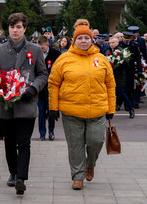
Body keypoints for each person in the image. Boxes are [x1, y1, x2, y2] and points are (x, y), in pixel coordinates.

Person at [48, 19, 116, 190]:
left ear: (91, 39)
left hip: (98, 110)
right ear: (74, 40)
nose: (83, 41)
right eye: (80, 38)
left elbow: (110, 84)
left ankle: (90, 164)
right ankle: (77, 175)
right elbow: (53, 83)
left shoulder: (101, 59)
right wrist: (53, 107)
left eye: (86, 38)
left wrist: (111, 108)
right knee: (75, 145)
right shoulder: (64, 59)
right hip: (71, 111)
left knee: (96, 141)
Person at [0, 13, 47, 195]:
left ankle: (21, 178)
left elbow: (42, 74)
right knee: (9, 143)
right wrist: (0, 86)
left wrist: (34, 89)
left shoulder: (35, 50)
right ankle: (13, 173)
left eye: (19, 27)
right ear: (8, 28)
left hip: (26, 104)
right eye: (12, 27)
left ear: (24, 29)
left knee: (24, 142)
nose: (15, 31)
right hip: (6, 105)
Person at [37, 35, 60, 141]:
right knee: (41, 111)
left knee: (51, 111)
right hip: (40, 88)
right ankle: (42, 133)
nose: (41, 49)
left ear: (47, 45)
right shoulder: (35, 54)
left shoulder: (55, 54)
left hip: (52, 88)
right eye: (39, 47)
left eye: (43, 47)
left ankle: (51, 131)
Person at [106, 36, 135, 118]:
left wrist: (116, 65)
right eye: (110, 43)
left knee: (121, 93)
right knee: (108, 94)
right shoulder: (107, 50)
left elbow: (126, 63)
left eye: (113, 42)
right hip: (109, 76)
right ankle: (109, 112)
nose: (111, 44)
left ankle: (131, 109)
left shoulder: (121, 51)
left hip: (119, 76)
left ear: (117, 43)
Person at [119, 31, 142, 110]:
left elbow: (138, 59)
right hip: (121, 70)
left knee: (129, 88)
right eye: (125, 39)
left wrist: (140, 70)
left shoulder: (134, 45)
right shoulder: (119, 45)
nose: (126, 41)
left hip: (130, 69)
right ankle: (118, 103)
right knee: (120, 87)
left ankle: (127, 105)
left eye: (128, 39)